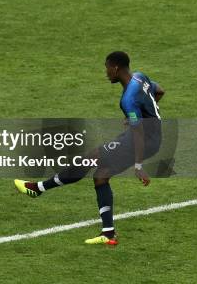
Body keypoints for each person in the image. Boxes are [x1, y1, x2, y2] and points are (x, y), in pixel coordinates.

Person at [15, 51, 165, 244]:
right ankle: (108, 233)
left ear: (116, 68)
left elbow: (137, 132)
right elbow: (159, 91)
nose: (106, 72)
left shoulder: (128, 100)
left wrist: (138, 165)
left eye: (107, 68)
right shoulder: (140, 77)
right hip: (152, 137)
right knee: (100, 175)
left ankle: (38, 188)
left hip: (142, 140)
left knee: (90, 158)